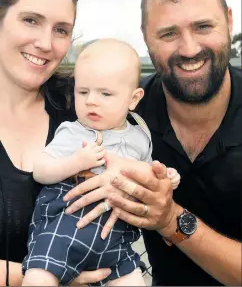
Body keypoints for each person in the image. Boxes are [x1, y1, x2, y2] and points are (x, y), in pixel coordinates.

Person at [62, 0, 242, 286]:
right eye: (169, 33)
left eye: (203, 26)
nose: (189, 49)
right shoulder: (124, 112)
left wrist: (170, 219)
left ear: (229, 22)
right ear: (145, 37)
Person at [0, 0, 114, 287]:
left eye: (61, 30)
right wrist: (45, 275)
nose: (45, 43)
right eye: (30, 20)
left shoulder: (81, 111)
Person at [21, 38, 181, 286]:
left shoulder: (140, 134)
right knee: (39, 277)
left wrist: (164, 176)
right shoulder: (73, 132)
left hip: (115, 234)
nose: (91, 101)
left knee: (134, 280)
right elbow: (40, 171)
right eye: (83, 92)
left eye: (105, 94)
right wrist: (75, 162)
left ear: (133, 99)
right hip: (68, 226)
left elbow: (148, 174)